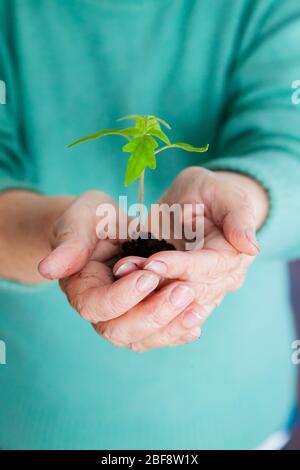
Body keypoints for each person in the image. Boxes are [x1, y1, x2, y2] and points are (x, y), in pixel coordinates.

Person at [0, 0, 300, 450]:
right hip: (38, 419)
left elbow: (288, 139)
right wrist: (55, 230)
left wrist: (244, 204)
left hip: (239, 414)